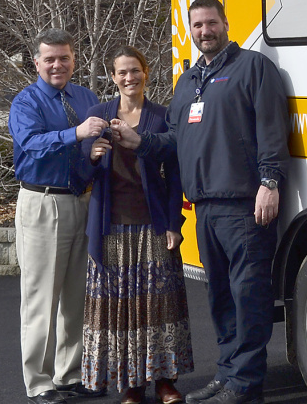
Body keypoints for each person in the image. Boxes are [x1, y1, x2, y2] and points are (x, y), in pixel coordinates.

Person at [110, 0, 289, 404]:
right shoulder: (188, 81)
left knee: (248, 298)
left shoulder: (252, 68)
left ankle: (245, 385)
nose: (204, 31)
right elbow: (174, 140)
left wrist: (270, 181)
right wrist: (139, 141)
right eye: (197, 25)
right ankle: (227, 377)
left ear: (226, 22)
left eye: (211, 23)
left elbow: (271, 129)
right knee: (221, 298)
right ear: (191, 30)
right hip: (205, 208)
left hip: (244, 207)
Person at [81, 46, 193, 404]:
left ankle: (165, 382)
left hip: (153, 223)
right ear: (112, 77)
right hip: (110, 225)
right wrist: (93, 157)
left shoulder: (161, 117)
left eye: (136, 70)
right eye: (122, 72)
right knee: (121, 309)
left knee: (159, 306)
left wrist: (174, 223)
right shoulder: (98, 114)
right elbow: (80, 171)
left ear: (146, 72)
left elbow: (174, 176)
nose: (130, 78)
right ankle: (132, 385)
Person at [9, 28, 108, 403]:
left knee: (75, 296)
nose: (57, 65)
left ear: (74, 59)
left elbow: (93, 146)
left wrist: (97, 149)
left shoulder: (86, 97)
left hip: (82, 201)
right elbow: (31, 144)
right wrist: (76, 133)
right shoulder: (25, 101)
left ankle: (70, 375)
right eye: (49, 59)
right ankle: (38, 383)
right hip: (42, 203)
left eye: (64, 58)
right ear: (36, 63)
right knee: (40, 298)